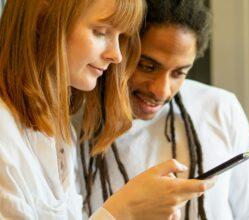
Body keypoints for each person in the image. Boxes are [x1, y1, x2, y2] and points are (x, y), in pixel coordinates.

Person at [0, 0, 215, 219]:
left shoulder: (60, 132)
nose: (117, 55)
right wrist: (123, 210)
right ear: (43, 20)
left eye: (121, 37)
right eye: (101, 32)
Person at [81, 0, 249, 219]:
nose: (161, 90)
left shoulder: (219, 108)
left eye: (179, 73)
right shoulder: (78, 125)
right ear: (120, 48)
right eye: (147, 66)